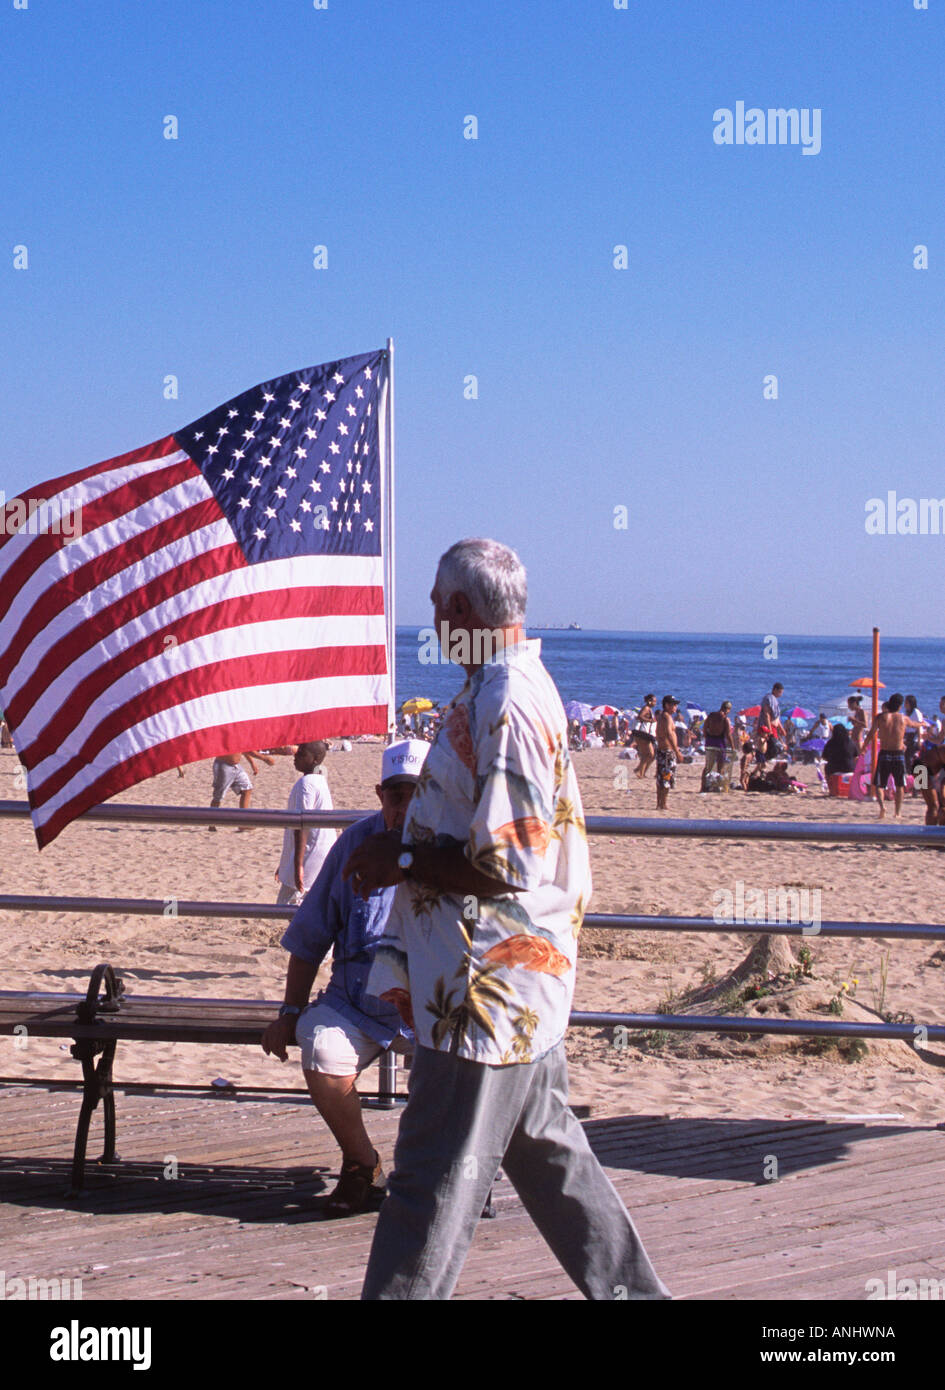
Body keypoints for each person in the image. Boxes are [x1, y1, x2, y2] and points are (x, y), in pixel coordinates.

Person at [343, 537, 668, 1301]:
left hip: (483, 989)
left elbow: (509, 865)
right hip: (504, 986)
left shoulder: (507, 701)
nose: (428, 616)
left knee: (428, 1179)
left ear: (459, 610)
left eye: (433, 603)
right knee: (551, 1158)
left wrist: (402, 862)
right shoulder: (499, 686)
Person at [261, 739, 429, 1215]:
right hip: (356, 1003)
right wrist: (290, 1011)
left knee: (454, 1076)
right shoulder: (354, 843)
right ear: (380, 795)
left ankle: (453, 1177)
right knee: (319, 1046)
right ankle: (363, 1164)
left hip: (432, 1009)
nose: (408, 805)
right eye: (398, 794)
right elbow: (310, 936)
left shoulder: (456, 848)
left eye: (419, 792)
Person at [275, 741, 336, 906]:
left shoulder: (307, 784)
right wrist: (285, 864)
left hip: (309, 855)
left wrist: (297, 866)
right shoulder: (318, 780)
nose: (295, 756)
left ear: (315, 759)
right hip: (316, 853)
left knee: (286, 906)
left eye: (302, 754)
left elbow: (302, 825)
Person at [864, 693, 910, 819]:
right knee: (900, 784)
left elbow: (870, 734)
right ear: (900, 706)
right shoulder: (903, 718)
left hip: (885, 753)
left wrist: (863, 748)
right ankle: (898, 812)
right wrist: (922, 724)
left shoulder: (880, 717)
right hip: (898, 753)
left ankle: (882, 808)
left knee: (880, 784)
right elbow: (914, 725)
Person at [208, 750, 274, 829]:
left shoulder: (239, 737)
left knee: (247, 789)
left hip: (236, 766)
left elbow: (243, 748)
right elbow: (247, 750)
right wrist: (264, 758)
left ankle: (243, 822)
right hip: (224, 766)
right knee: (218, 796)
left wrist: (252, 763)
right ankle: (211, 823)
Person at [654, 696, 684, 811]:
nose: (675, 707)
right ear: (666, 705)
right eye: (673, 704)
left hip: (664, 751)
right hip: (667, 753)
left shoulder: (663, 716)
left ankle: (660, 803)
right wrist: (677, 752)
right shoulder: (666, 717)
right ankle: (663, 804)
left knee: (662, 778)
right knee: (666, 778)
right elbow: (668, 734)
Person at [701, 701, 736, 792]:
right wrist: (733, 746)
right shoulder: (725, 719)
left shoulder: (711, 716)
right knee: (720, 765)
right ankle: (716, 786)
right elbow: (728, 734)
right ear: (728, 709)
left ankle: (703, 786)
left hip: (710, 740)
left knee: (708, 765)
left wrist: (707, 738)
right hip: (719, 742)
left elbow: (704, 729)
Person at [632, 695, 657, 779]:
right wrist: (650, 720)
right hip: (643, 734)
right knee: (649, 754)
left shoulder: (648, 709)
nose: (655, 703)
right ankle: (640, 773)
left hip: (645, 734)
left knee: (649, 755)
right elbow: (640, 717)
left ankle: (639, 770)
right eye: (654, 701)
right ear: (649, 701)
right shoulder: (646, 708)